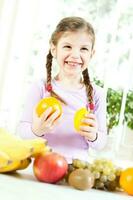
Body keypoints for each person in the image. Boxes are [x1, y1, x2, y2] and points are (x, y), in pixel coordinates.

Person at [18, 16, 107, 163]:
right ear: (54, 49)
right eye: (67, 46)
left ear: (91, 54)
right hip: (43, 164)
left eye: (84, 49)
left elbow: (101, 141)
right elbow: (22, 130)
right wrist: (37, 130)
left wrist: (94, 136)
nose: (75, 55)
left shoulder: (97, 94)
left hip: (78, 169)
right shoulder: (40, 88)